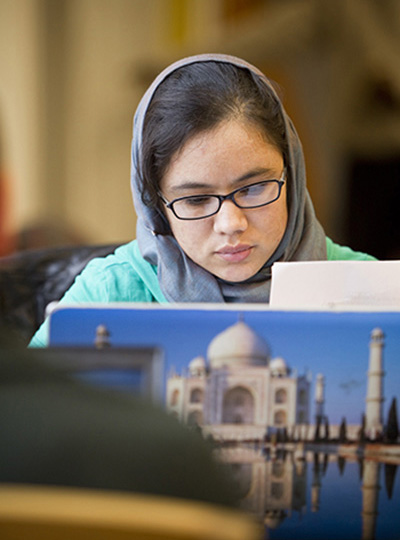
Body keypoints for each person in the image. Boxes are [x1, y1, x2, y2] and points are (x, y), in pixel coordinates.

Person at [30, 53, 375, 347]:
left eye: (254, 188)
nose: (231, 225)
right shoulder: (108, 297)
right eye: (196, 200)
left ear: (293, 176)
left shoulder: (370, 292)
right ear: (156, 205)